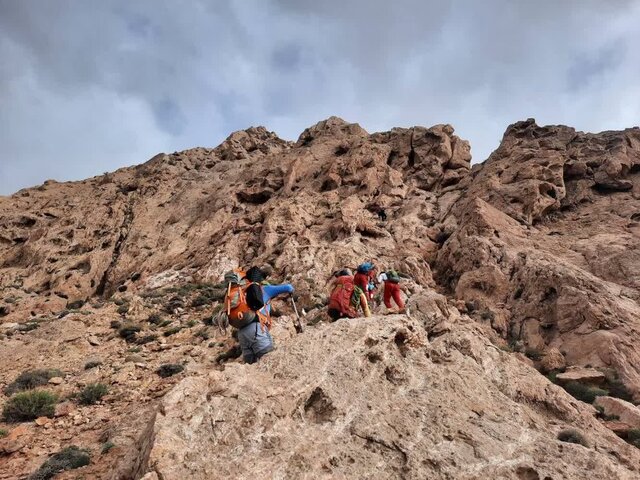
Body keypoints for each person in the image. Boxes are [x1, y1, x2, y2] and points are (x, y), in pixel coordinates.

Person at [236, 266, 294, 364]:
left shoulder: (242, 292)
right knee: (269, 361)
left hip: (242, 333)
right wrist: (291, 291)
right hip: (256, 329)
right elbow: (288, 287)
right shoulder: (264, 289)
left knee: (249, 369)